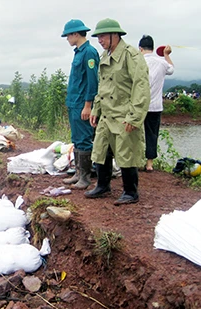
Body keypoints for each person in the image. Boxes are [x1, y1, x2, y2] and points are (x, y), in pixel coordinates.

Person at [85, 18, 150, 205]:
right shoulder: (104, 56)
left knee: (126, 151)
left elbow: (141, 87)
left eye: (103, 36)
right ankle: (103, 185)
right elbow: (102, 87)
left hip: (124, 113)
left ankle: (131, 191)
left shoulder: (131, 56)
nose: (100, 40)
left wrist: (135, 116)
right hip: (106, 113)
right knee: (101, 149)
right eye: (98, 37)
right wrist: (95, 109)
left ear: (116, 35)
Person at [61, 19, 99, 190]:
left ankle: (85, 177)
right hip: (74, 102)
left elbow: (92, 81)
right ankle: (78, 172)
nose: (67, 38)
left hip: (82, 103)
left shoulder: (89, 52)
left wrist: (88, 105)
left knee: (84, 138)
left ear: (76, 34)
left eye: (68, 35)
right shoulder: (78, 52)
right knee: (76, 139)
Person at [138, 35, 174, 172]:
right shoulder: (161, 63)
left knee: (135, 133)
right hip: (155, 106)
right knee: (152, 134)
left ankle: (135, 161)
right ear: (153, 48)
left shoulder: (138, 61)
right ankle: (149, 164)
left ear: (140, 48)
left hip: (139, 105)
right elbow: (171, 70)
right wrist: (166, 54)